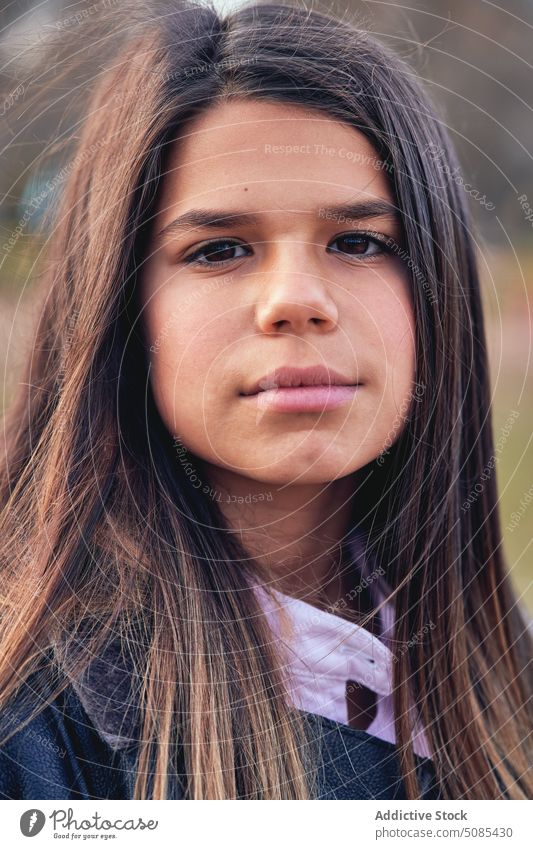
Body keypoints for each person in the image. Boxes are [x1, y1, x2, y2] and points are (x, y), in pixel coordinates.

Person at [0, 0, 530, 800]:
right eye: (219, 249)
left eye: (358, 242)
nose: (294, 299)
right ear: (118, 307)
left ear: (436, 293)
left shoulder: (503, 682)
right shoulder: (33, 730)